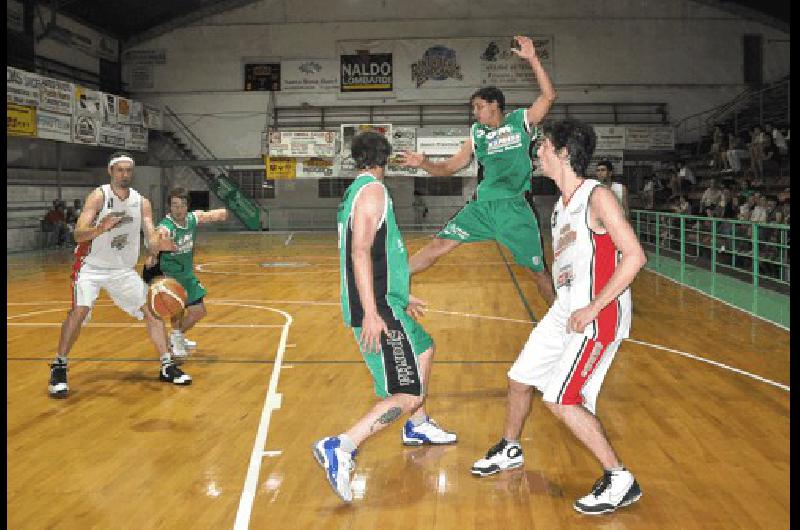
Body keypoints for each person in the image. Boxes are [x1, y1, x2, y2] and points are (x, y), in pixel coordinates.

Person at [469, 119, 647, 515]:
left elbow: (634, 256)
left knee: (561, 398)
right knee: (519, 379)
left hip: (599, 311)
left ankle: (620, 478)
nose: (538, 151)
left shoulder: (597, 197)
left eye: (544, 145)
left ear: (564, 153)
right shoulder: (558, 209)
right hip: (566, 307)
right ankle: (510, 448)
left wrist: (592, 307)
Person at [313, 132, 456, 503]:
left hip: (386, 301)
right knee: (407, 393)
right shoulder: (373, 193)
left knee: (423, 348)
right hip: (377, 309)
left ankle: (418, 426)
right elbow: (360, 253)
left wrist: (401, 294)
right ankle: (341, 446)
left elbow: (376, 254)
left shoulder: (357, 192)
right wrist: (375, 312)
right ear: (385, 160)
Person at [398, 35, 557, 307]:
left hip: (515, 208)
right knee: (439, 245)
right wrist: (423, 163)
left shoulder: (521, 121)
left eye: (479, 106)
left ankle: (562, 320)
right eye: (473, 107)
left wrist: (532, 59)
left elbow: (548, 96)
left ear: (495, 105)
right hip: (481, 207)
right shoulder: (475, 134)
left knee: (538, 272)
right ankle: (393, 284)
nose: (475, 112)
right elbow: (449, 167)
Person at [48, 152, 186, 398]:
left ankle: (166, 364)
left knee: (152, 310)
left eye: (128, 170)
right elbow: (78, 235)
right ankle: (59, 366)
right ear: (110, 171)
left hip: (122, 270)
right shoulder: (99, 196)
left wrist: (160, 243)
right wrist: (101, 227)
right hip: (90, 267)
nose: (124, 174)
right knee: (79, 312)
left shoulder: (141, 202)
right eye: (119, 170)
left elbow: (151, 237)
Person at [142, 187, 228, 358]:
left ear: (187, 206)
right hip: (171, 276)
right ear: (169, 207)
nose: (178, 209)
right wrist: (155, 250)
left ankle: (177, 336)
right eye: (174, 205)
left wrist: (221, 213)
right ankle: (175, 338)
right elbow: (156, 238)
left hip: (187, 274)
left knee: (199, 311)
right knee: (177, 310)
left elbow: (207, 215)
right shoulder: (166, 227)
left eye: (181, 205)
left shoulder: (191, 219)